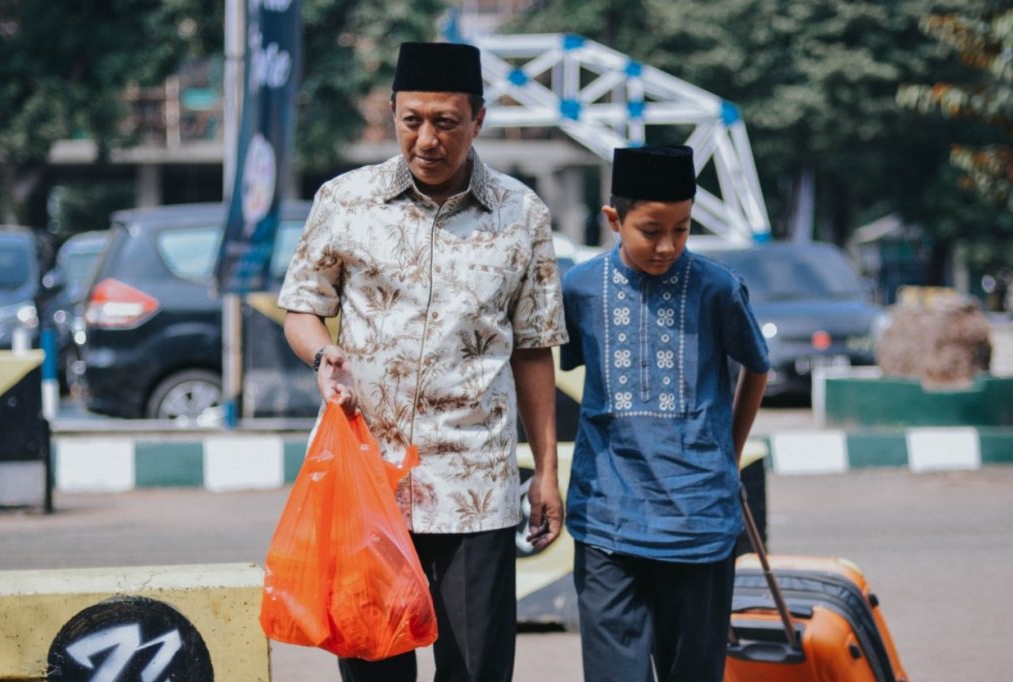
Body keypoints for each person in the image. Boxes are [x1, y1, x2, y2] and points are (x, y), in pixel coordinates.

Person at [277, 41, 568, 682]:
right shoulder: (345, 201)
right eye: (412, 121)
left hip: (475, 484)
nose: (427, 140)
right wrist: (324, 354)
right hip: (367, 480)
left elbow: (534, 347)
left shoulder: (523, 215)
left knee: (475, 669)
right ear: (392, 113)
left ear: (479, 120)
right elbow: (302, 309)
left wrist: (545, 471)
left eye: (446, 122)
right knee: (374, 667)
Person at [560, 145, 770, 682]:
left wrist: (730, 450)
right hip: (606, 518)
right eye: (651, 229)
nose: (668, 245)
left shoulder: (718, 288)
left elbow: (757, 367)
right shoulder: (579, 290)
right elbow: (544, 370)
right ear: (614, 219)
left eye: (682, 229)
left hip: (699, 520)